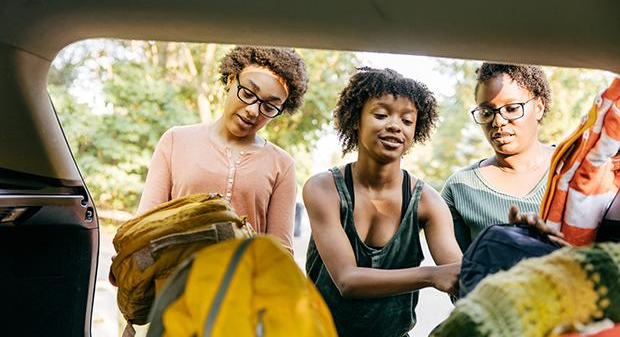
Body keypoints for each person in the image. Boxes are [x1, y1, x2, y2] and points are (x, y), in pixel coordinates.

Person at [304, 67, 462, 337]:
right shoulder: (323, 189)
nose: (395, 126)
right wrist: (431, 275)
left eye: (407, 120)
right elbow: (347, 280)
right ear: (356, 120)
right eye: (380, 114)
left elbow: (458, 274)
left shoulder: (427, 202)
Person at [136, 46, 308, 252]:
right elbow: (144, 227)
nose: (253, 111)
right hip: (175, 281)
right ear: (231, 79)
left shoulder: (282, 165)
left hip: (243, 282)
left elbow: (280, 251)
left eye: (269, 107)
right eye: (248, 93)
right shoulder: (175, 140)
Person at [441, 63, 555, 253]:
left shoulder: (576, 168)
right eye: (486, 112)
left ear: (539, 107)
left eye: (511, 109)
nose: (498, 121)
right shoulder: (459, 189)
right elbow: (460, 274)